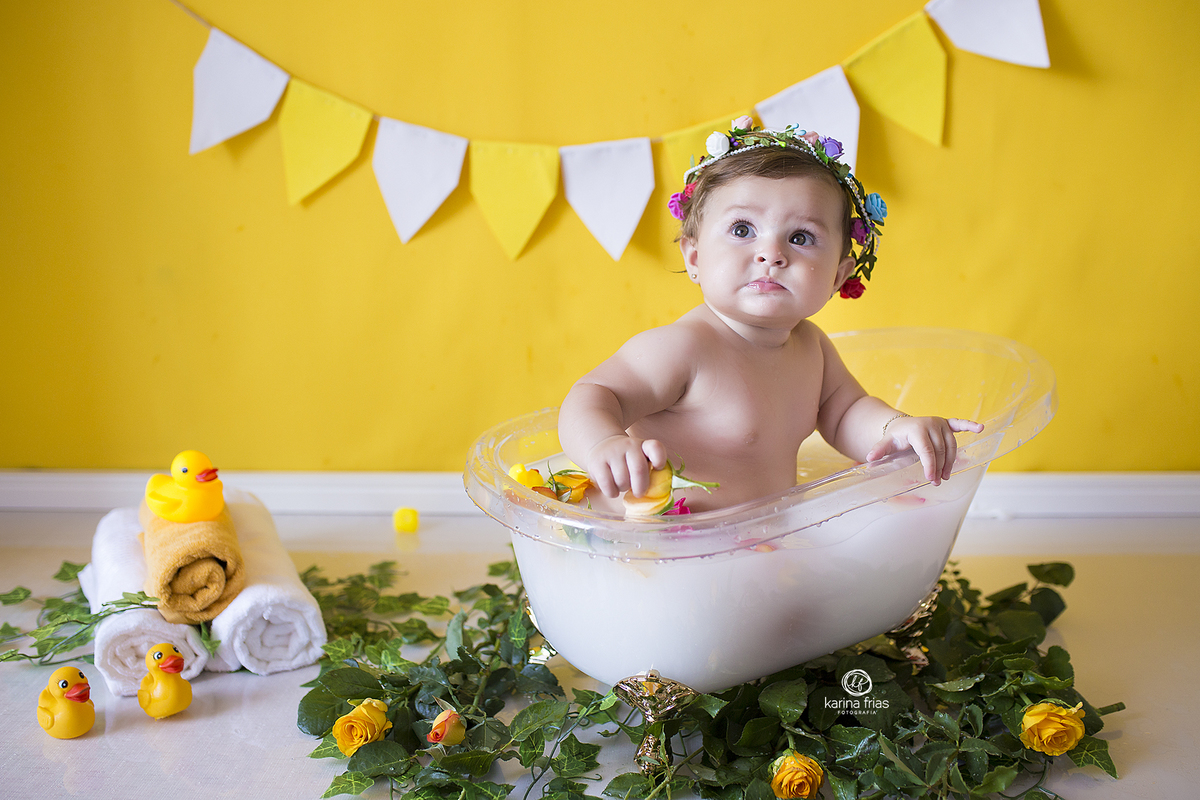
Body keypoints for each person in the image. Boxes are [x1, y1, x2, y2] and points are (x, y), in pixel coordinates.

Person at [559, 119, 983, 513]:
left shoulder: (812, 348)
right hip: (664, 545)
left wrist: (897, 428)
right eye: (742, 230)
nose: (771, 254)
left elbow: (848, 414)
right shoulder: (683, 347)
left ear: (838, 276)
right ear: (694, 257)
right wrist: (603, 444)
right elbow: (595, 394)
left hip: (764, 541)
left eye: (801, 237)